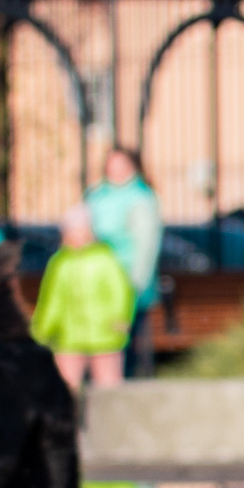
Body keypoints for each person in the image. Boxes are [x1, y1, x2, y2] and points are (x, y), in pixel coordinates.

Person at [32, 203, 138, 396]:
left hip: (105, 334)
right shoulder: (59, 262)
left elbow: (120, 293)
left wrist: (120, 319)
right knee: (64, 388)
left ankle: (111, 422)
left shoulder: (106, 259)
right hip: (69, 337)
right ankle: (68, 423)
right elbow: (52, 302)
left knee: (108, 388)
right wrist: (41, 332)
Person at [83, 147, 162, 374]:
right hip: (96, 280)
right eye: (111, 164)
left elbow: (146, 244)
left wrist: (137, 282)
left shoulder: (140, 198)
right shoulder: (97, 194)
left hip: (126, 279)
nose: (114, 170)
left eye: (120, 164)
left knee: (125, 340)